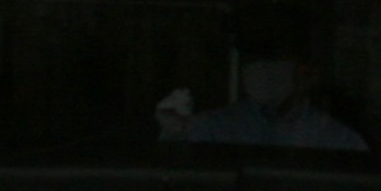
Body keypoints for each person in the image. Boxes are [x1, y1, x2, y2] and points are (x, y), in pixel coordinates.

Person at [156, 54, 365, 152]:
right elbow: (176, 176)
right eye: (257, 60)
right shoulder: (212, 127)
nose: (266, 71)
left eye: (278, 60)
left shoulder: (339, 139)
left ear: (306, 76)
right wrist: (174, 130)